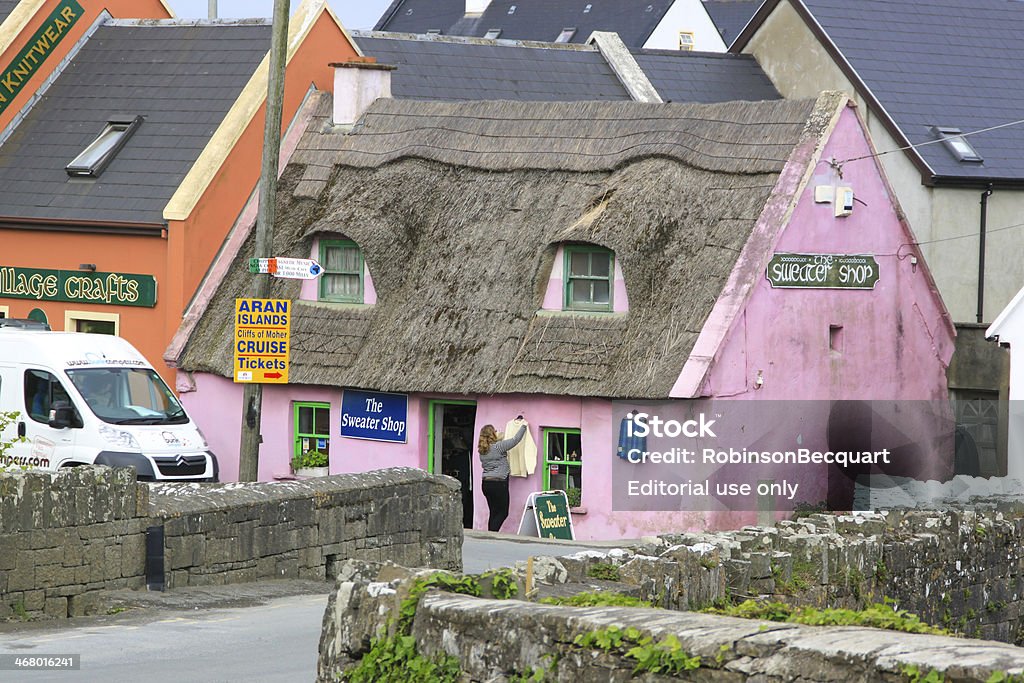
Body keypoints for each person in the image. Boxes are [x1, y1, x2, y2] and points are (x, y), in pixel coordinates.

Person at [478, 419, 528, 532]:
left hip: (486, 483)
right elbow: (515, 440)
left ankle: (490, 534)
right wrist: (524, 426)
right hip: (499, 483)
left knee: (494, 512)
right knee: (503, 512)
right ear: (492, 434)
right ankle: (492, 534)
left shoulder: (482, 450)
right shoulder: (498, 447)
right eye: (495, 431)